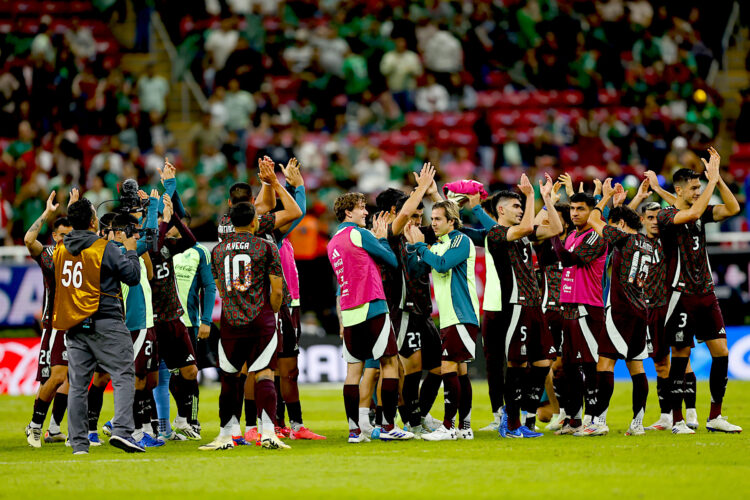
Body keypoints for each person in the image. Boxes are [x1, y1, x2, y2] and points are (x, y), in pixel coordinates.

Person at [656, 149, 742, 434]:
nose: (698, 191)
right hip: (681, 295)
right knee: (680, 357)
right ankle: (678, 420)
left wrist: (717, 182)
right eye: (694, 188)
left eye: (699, 187)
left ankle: (715, 416)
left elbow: (732, 209)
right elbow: (691, 211)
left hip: (705, 293)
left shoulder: (700, 214)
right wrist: (712, 179)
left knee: (722, 352)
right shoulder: (667, 215)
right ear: (678, 190)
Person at [53, 198, 143, 454]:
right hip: (106, 321)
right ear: (94, 221)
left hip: (74, 325)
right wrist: (131, 249)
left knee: (78, 385)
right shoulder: (103, 248)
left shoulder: (60, 249)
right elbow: (133, 277)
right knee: (124, 374)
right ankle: (123, 431)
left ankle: (79, 443)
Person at [201, 202, 288, 451]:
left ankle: (226, 435)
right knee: (264, 374)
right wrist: (270, 311)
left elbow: (219, 286)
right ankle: (269, 434)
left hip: (230, 322)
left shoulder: (217, 251)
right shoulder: (266, 247)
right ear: (254, 222)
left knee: (230, 378)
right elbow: (278, 289)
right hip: (261, 318)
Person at [328, 192, 413, 443]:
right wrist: (382, 239)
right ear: (348, 213)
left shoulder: (332, 242)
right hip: (373, 306)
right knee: (388, 364)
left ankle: (355, 432)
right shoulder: (361, 234)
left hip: (350, 311)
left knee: (353, 372)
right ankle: (388, 427)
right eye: (361, 208)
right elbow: (392, 261)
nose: (366, 212)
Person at [404, 197, 487, 441]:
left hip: (461, 314)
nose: (434, 224)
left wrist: (420, 248)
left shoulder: (461, 240)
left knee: (449, 367)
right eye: (433, 219)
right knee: (460, 371)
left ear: (452, 221)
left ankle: (449, 427)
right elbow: (420, 268)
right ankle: (464, 426)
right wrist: (411, 247)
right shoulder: (439, 244)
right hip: (451, 318)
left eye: (438, 219)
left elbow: (441, 265)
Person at [578, 182, 654, 436]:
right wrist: (620, 207)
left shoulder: (620, 237)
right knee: (636, 366)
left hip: (620, 308)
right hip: (641, 309)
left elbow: (593, 218)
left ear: (620, 225)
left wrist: (607, 197)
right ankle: (638, 423)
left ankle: (598, 422)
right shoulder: (647, 244)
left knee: (605, 363)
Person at [373, 165, 442, 438]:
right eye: (412, 214)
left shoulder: (421, 235)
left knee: (437, 367)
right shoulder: (388, 236)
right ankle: (408, 421)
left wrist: (434, 194)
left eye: (419, 214)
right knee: (408, 368)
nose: (416, 218)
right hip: (401, 310)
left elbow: (452, 221)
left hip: (424, 310)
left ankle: (419, 416)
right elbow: (401, 217)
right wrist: (421, 188)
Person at [639, 174, 699, 431]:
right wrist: (641, 195)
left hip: (674, 305)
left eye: (657, 217)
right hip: (649, 310)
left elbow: (682, 207)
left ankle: (692, 414)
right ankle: (666, 416)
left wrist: (657, 190)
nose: (655, 222)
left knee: (682, 361)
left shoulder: (671, 240)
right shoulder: (637, 243)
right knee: (660, 363)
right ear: (642, 220)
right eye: (649, 217)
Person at [552, 191, 608, 435]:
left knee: (590, 365)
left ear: (591, 211)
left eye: (581, 209)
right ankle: (574, 419)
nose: (575, 213)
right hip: (569, 306)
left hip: (588, 306)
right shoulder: (573, 234)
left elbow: (572, 260)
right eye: (572, 209)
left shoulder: (596, 235)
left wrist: (553, 234)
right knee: (570, 367)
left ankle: (596, 419)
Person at [23, 192, 73, 448]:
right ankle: (34, 425)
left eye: (70, 234)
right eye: (62, 235)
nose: (66, 239)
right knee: (52, 378)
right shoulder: (50, 255)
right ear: (55, 236)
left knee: (71, 377)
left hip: (77, 323)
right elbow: (28, 240)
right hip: (54, 325)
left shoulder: (81, 252)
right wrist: (46, 214)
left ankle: (54, 428)